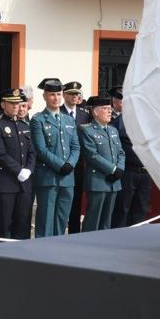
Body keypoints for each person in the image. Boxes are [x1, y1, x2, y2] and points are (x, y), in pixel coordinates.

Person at [30, 77, 80, 238]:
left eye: (58, 94)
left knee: (62, 218)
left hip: (68, 178)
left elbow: (75, 146)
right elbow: (41, 149)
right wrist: (60, 165)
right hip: (48, 178)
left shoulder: (69, 119)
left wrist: (70, 164)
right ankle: (42, 255)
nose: (56, 98)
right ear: (44, 96)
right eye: (52, 95)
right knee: (46, 219)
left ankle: (58, 251)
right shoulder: (38, 120)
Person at [0, 88, 35, 239]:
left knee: (23, 224)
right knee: (4, 225)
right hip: (5, 183)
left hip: (24, 184)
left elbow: (32, 152)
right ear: (3, 105)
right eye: (12, 103)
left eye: (18, 103)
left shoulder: (24, 125)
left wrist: (28, 169)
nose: (16, 106)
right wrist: (18, 170)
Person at [78, 95, 125, 231]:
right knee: (93, 219)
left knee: (107, 221)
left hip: (113, 182)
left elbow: (121, 152)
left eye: (110, 108)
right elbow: (92, 155)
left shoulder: (113, 130)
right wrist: (113, 169)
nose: (109, 111)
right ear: (95, 112)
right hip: (98, 181)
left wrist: (119, 170)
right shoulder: (87, 130)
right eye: (105, 108)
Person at [110, 89, 151, 227]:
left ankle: (137, 237)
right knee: (123, 208)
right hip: (128, 171)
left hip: (145, 172)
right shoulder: (116, 123)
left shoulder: (147, 122)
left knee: (141, 208)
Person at [63, 81, 91, 234]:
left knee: (76, 202)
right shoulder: (58, 111)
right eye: (72, 94)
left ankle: (74, 233)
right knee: (62, 203)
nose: (75, 97)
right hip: (62, 163)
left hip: (79, 165)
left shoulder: (84, 115)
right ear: (65, 95)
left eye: (77, 94)